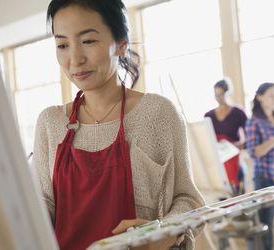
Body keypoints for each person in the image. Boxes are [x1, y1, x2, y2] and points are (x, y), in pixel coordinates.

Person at [32, 0, 205, 249]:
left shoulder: (157, 113)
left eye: (88, 41)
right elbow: (44, 204)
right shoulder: (50, 122)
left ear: (121, 45)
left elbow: (189, 200)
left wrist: (163, 233)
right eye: (62, 45)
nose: (75, 59)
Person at [245, 82, 274, 250]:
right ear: (260, 97)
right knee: (266, 227)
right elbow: (254, 152)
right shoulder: (253, 122)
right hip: (265, 179)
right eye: (271, 95)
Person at [204, 78, 247, 194]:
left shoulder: (238, 113)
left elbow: (249, 141)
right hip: (217, 165)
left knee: (239, 198)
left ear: (228, 93)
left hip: (235, 162)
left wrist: (231, 146)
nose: (218, 98)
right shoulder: (208, 116)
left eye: (221, 94)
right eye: (216, 94)